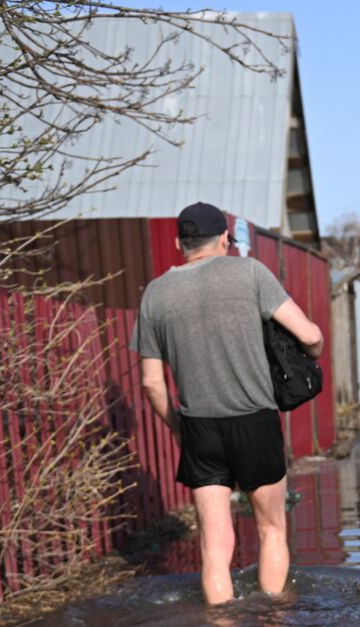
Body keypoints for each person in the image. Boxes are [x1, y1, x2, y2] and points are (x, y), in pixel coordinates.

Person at [134, 202, 324, 605]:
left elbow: (151, 383)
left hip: (199, 427)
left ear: (179, 243)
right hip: (255, 419)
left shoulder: (155, 293)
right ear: (224, 238)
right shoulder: (251, 272)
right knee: (271, 530)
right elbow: (309, 336)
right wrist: (312, 352)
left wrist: (180, 429)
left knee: (214, 545)